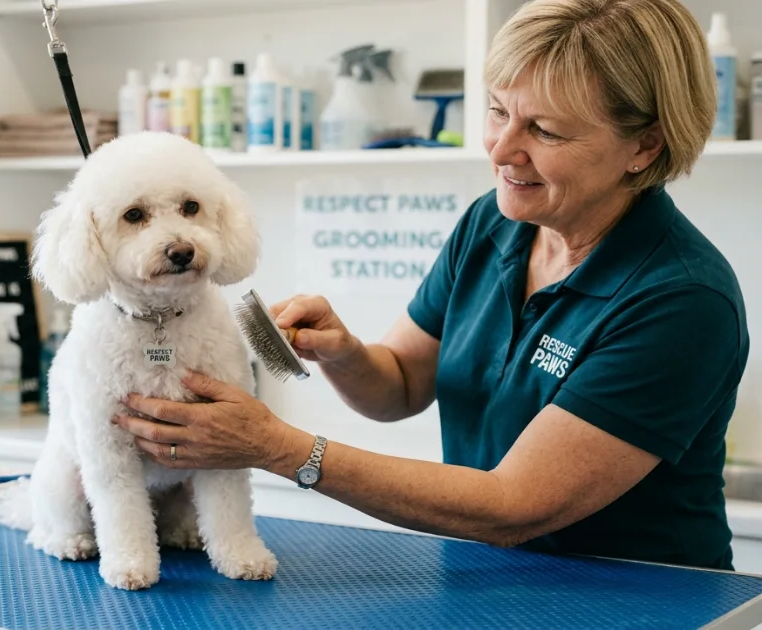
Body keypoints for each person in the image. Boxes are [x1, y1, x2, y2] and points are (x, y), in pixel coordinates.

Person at [112, 0, 750, 571]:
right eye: (498, 111)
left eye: (546, 130)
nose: (502, 150)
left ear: (645, 145)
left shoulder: (681, 300)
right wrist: (346, 353)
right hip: (488, 575)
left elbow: (515, 505)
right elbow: (402, 385)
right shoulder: (494, 225)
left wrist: (277, 449)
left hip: (638, 598)